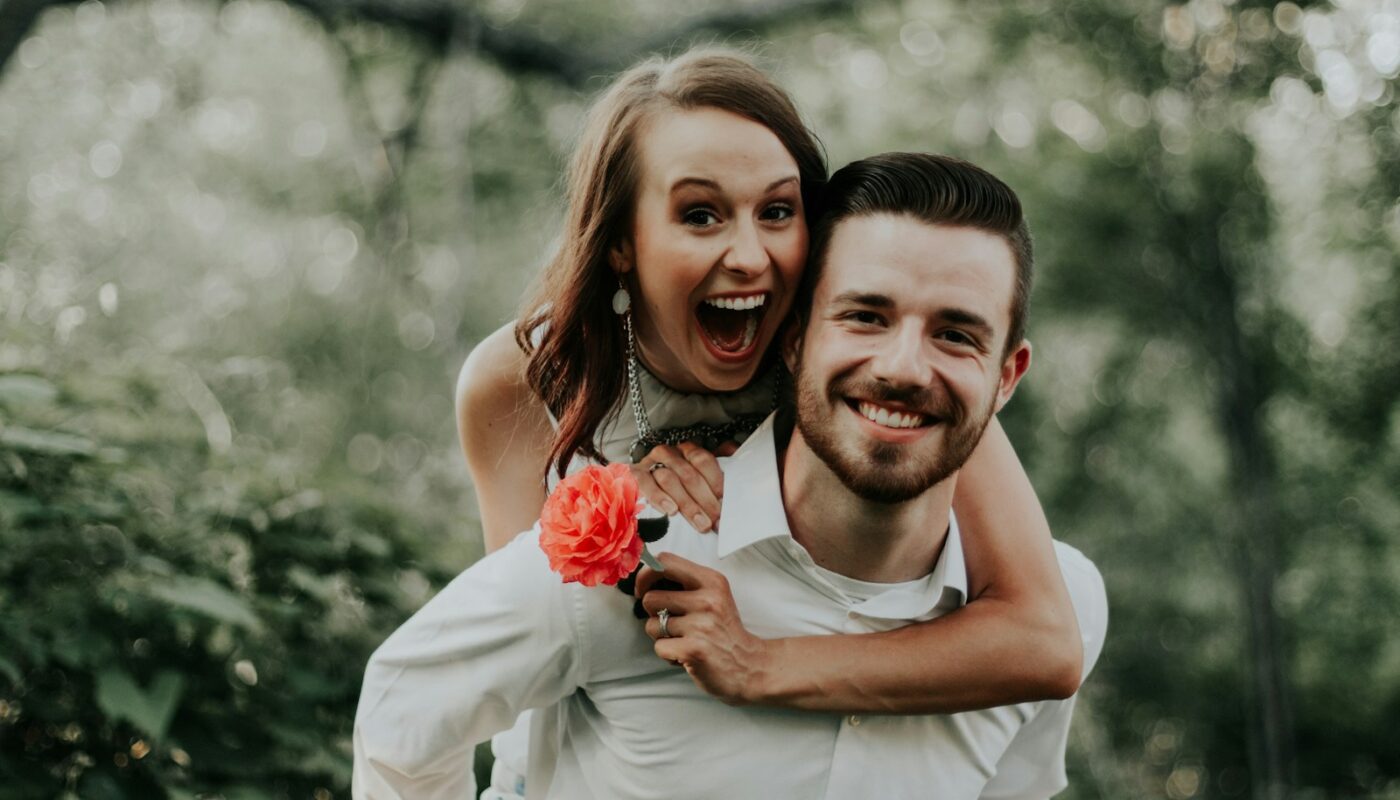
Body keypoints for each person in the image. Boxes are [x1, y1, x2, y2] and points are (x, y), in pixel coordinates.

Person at [355, 152, 1108, 799]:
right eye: (865, 317)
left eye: (955, 334)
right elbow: (402, 716)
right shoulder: (630, 562)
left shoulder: (1061, 603)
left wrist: (763, 664)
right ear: (792, 338)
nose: (904, 368)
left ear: (1007, 376)